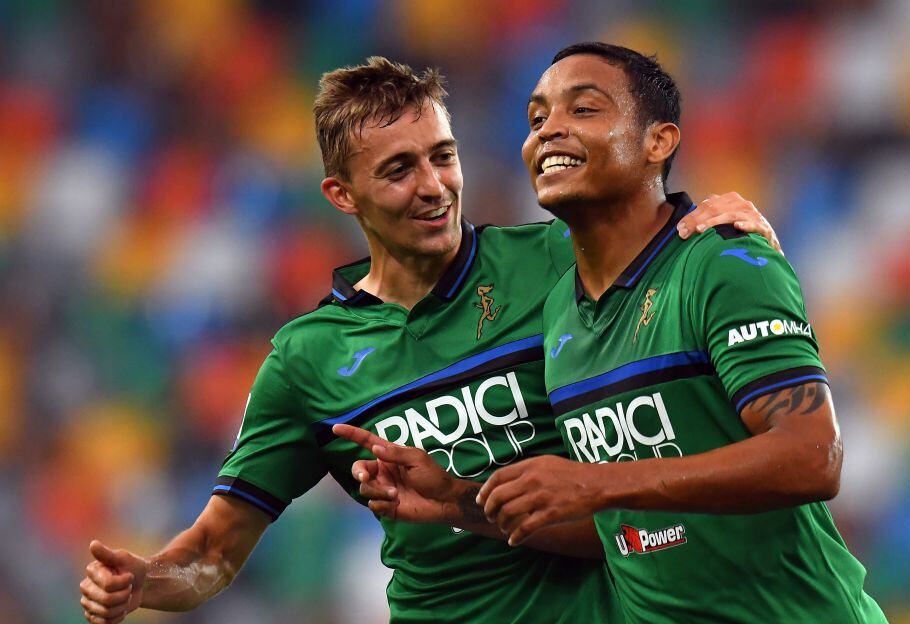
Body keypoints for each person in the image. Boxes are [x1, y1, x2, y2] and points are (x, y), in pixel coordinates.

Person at [78, 56, 780, 624]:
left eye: (443, 156)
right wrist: (147, 580)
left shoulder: (557, 259)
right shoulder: (307, 358)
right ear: (341, 195)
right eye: (398, 170)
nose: (433, 187)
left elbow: (687, 263)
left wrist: (732, 225)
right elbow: (214, 551)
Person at [340, 43, 888, 623]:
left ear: (659, 142)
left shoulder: (721, 262)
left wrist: (598, 483)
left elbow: (813, 457)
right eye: (536, 118)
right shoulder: (559, 313)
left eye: (583, 109)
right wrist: (457, 500)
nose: (549, 130)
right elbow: (620, 529)